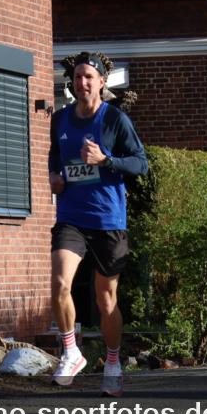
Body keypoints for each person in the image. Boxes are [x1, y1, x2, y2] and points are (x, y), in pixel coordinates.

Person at [48, 52, 148, 395]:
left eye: (89, 77)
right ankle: (71, 351)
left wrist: (106, 160)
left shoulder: (115, 120)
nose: (82, 83)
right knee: (60, 282)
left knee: (106, 299)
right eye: (77, 77)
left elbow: (140, 164)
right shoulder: (60, 119)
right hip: (71, 217)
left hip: (108, 219)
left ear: (102, 81)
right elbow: (54, 154)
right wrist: (54, 175)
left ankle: (113, 361)